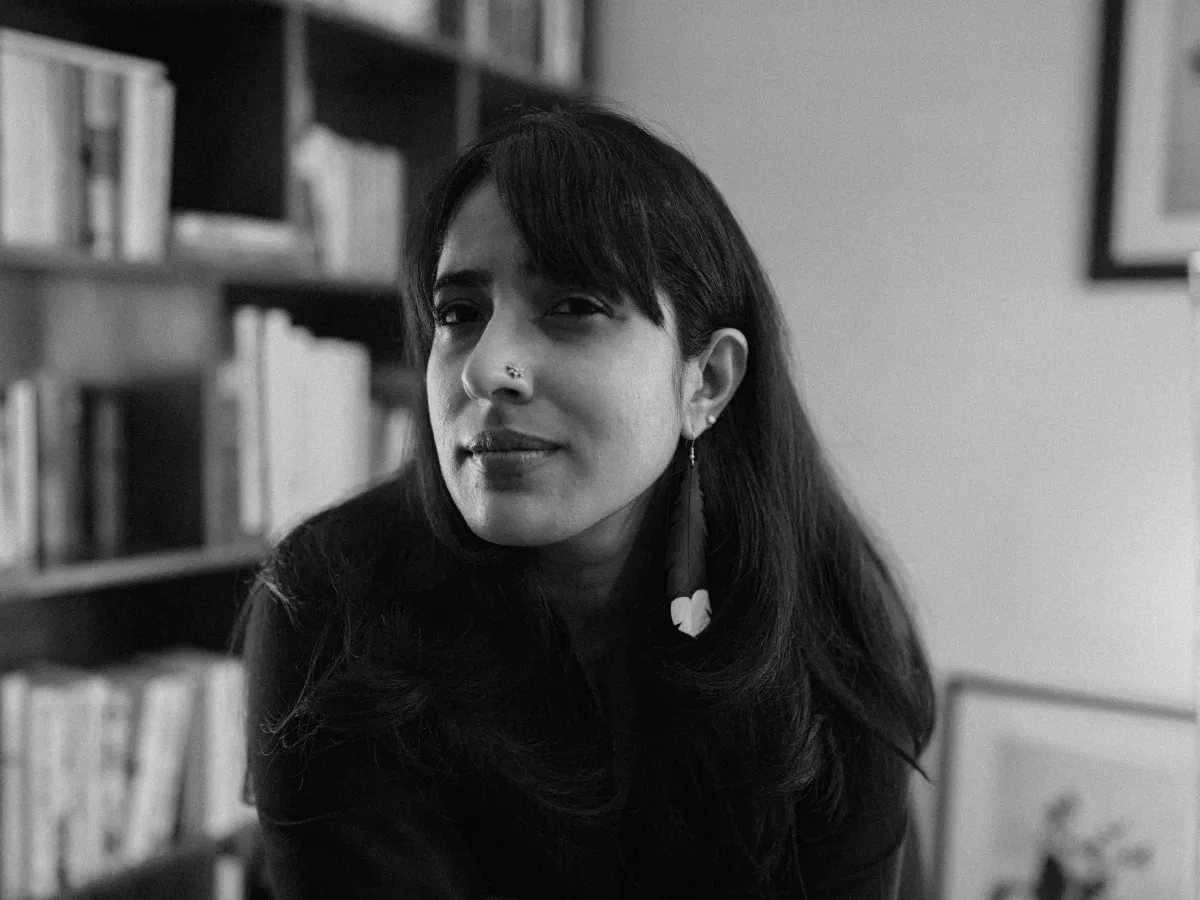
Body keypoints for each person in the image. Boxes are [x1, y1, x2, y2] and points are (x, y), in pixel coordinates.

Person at [234, 102, 937, 900]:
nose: (482, 367)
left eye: (572, 307)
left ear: (704, 381)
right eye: (459, 315)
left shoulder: (829, 625)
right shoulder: (332, 600)